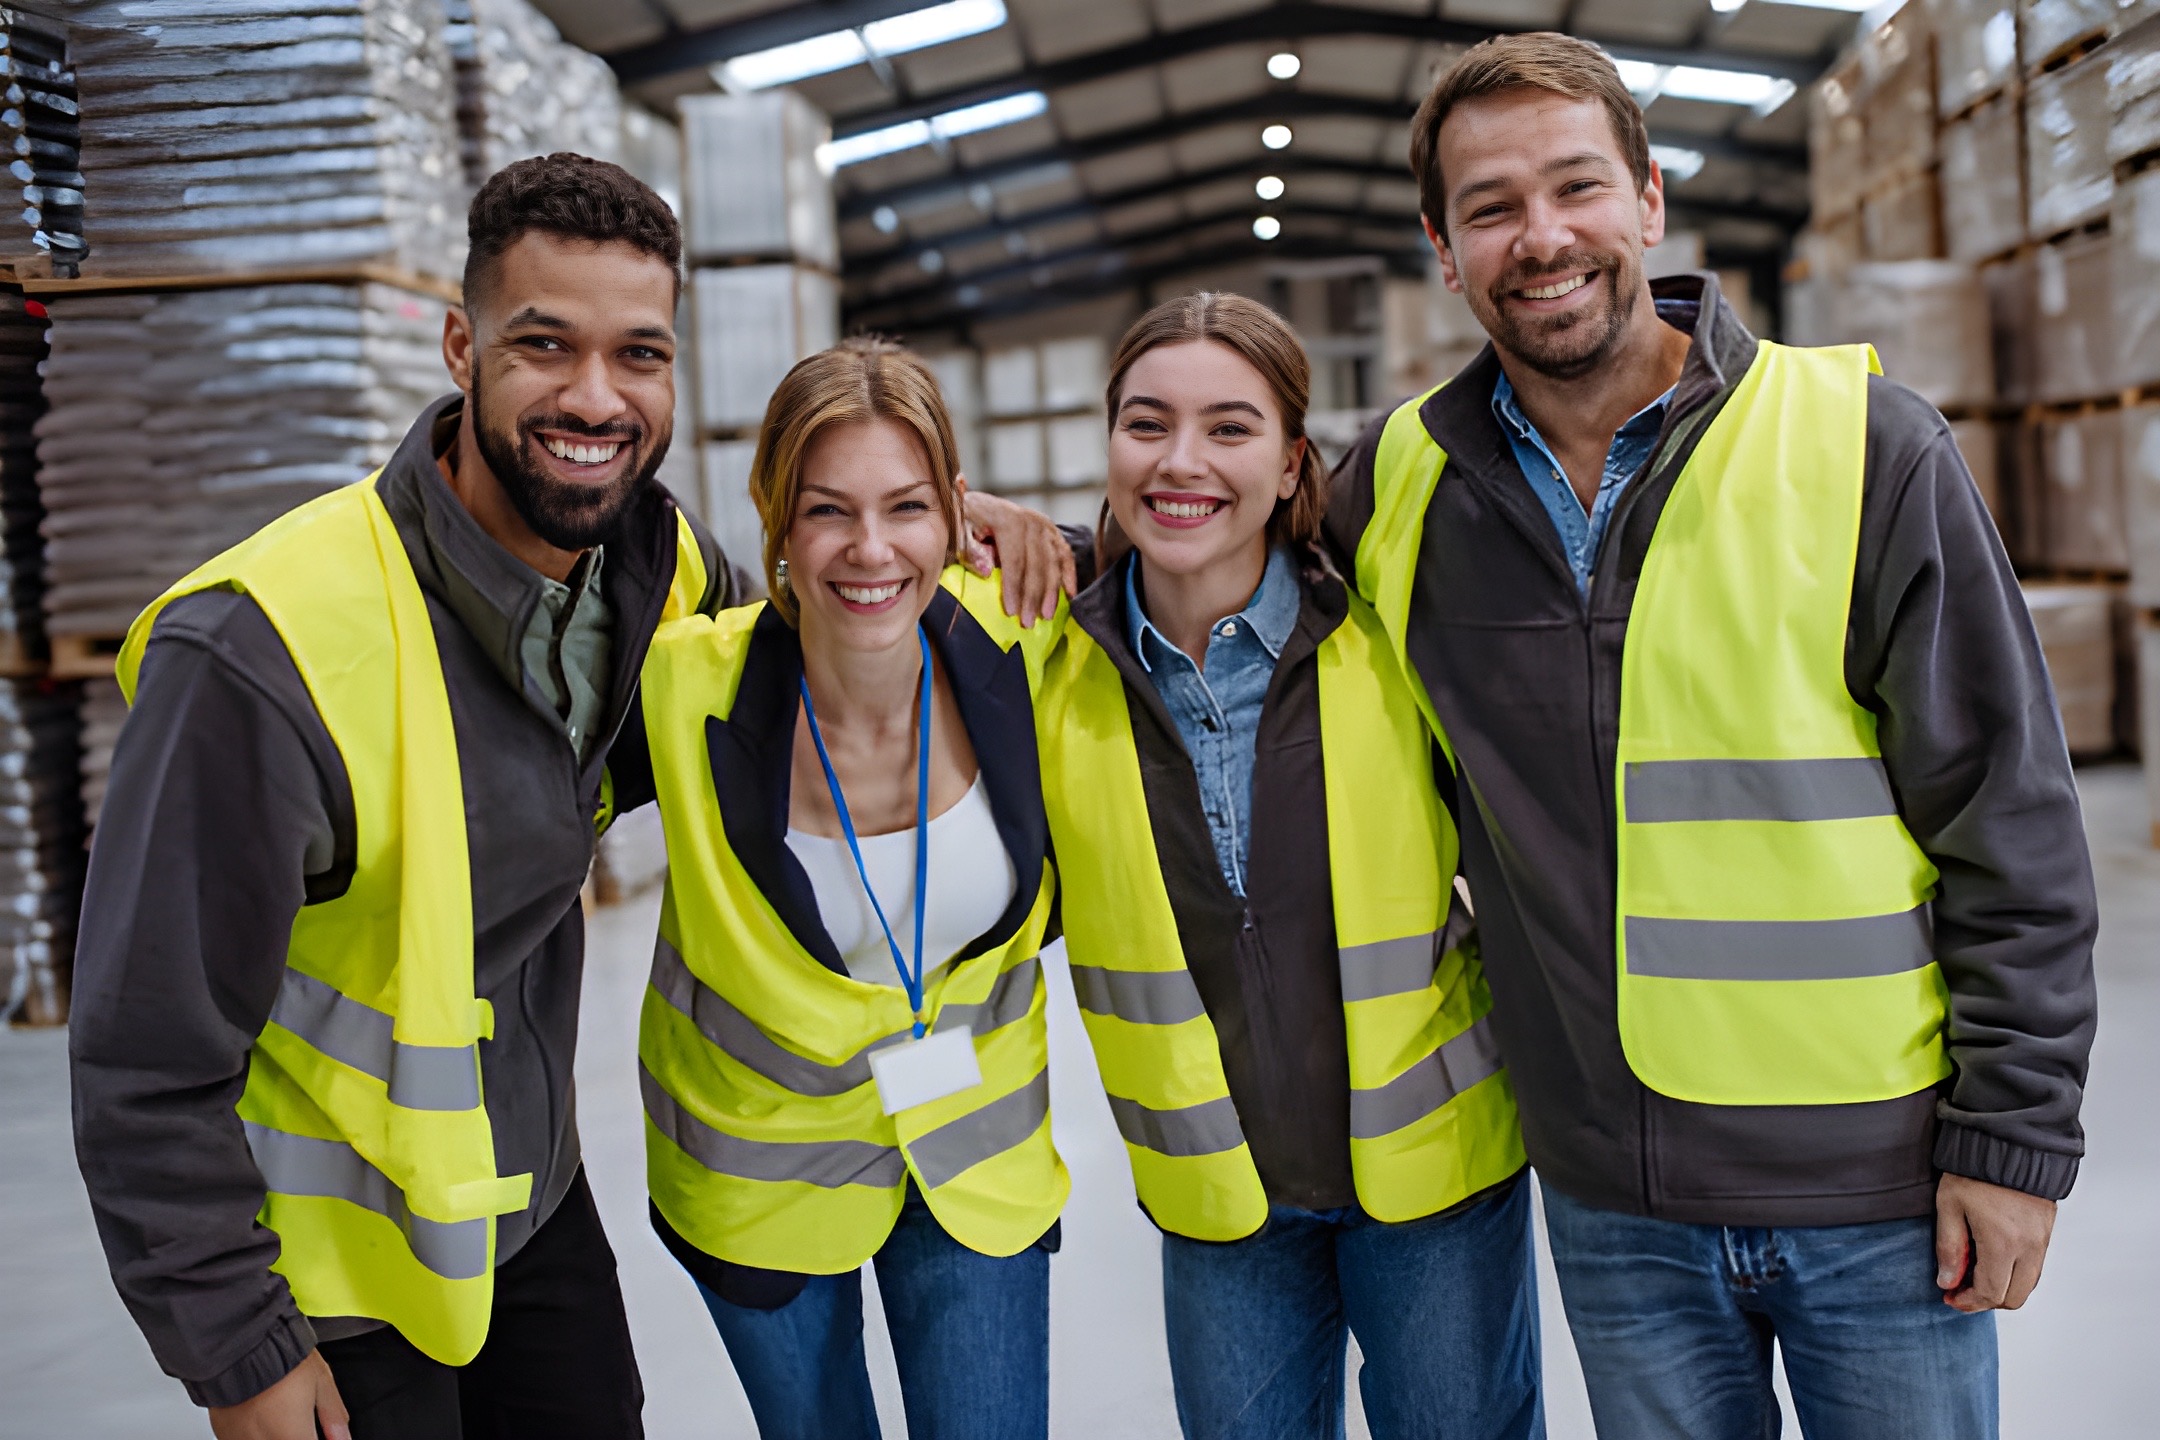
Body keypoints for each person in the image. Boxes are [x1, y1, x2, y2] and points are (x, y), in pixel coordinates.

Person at [67, 156, 1065, 1440]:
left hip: (526, 1212)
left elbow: (818, 607)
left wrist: (933, 514)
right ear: (458, 347)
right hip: (335, 1284)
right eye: (545, 345)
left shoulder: (653, 578)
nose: (595, 396)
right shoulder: (265, 653)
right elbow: (144, 1052)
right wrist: (240, 1348)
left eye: (637, 355)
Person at [1324, 33, 2099, 1439]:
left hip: (1880, 1192)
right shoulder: (1400, 484)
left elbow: (2013, 820)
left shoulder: (1865, 444)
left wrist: (2016, 1142)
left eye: (1576, 188)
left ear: (1650, 203)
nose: (1541, 238)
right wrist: (1008, 539)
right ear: (1443, 247)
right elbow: (1212, 583)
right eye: (1491, 207)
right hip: (1617, 1207)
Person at [1032, 293, 1540, 1439]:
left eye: (1229, 427)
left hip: (1433, 1186)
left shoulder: (1387, 635)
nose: (1181, 462)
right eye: (1146, 423)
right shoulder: (1052, 672)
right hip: (1221, 1202)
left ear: (1291, 458)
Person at [612, 337, 1069, 1440]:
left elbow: (1190, 555)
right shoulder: (680, 689)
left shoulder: (1027, 642)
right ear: (775, 517)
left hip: (976, 1159)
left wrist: (1027, 525)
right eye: (828, 511)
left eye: (907, 506)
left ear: (955, 513)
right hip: (760, 1179)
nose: (871, 549)